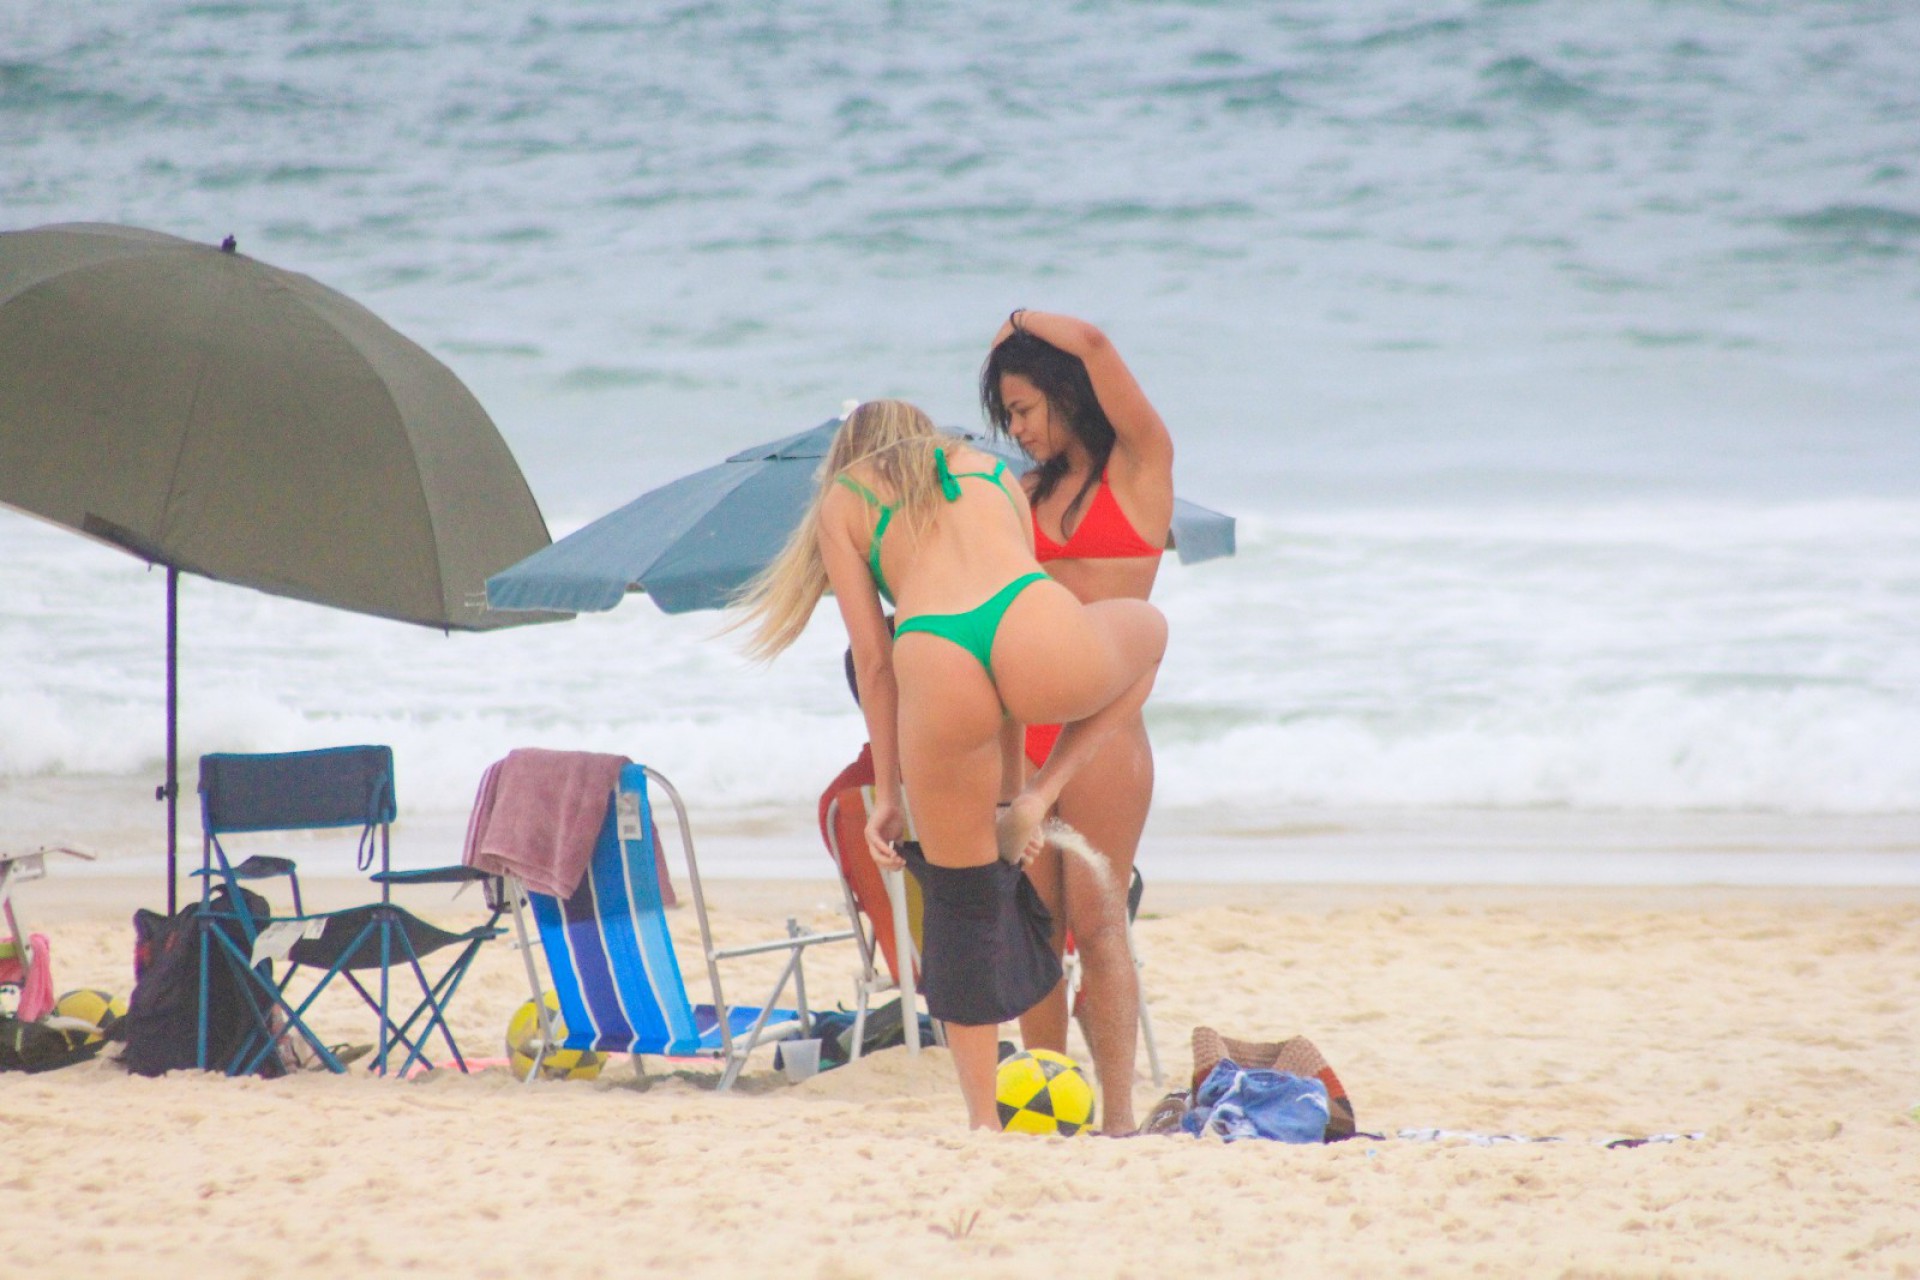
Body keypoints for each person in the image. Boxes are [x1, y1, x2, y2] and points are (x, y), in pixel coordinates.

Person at [738, 399, 1166, 1130]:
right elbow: (1011, 687)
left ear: (851, 451)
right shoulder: (993, 473)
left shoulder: (843, 500)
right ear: (923, 431)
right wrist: (1022, 794)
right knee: (1149, 633)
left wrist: (889, 794)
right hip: (1029, 623)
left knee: (961, 904)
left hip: (933, 652)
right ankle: (1045, 791)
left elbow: (874, 663)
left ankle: (982, 1122)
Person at [979, 309, 1174, 1135]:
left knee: (1097, 926)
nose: (1016, 431)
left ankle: (1120, 1121)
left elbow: (1094, 342)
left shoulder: (1142, 469)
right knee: (1032, 934)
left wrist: (1014, 325)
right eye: (1007, 416)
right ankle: (1049, 1102)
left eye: (1023, 410)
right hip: (1022, 732)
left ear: (1064, 393)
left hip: (1102, 735)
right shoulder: (1019, 494)